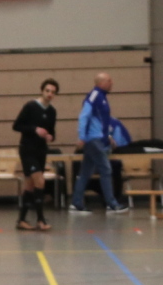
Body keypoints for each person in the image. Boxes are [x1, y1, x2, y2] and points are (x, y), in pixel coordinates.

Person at [70, 73, 126, 215]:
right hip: (93, 140)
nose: (112, 82)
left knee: (85, 172)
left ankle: (76, 202)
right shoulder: (94, 96)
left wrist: (108, 136)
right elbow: (84, 117)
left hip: (98, 139)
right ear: (101, 82)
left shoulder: (102, 98)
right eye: (109, 80)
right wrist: (82, 137)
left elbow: (101, 122)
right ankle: (112, 204)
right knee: (106, 169)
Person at [11, 78, 60, 231]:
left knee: (30, 185)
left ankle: (21, 220)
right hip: (27, 149)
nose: (50, 94)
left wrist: (50, 136)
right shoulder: (31, 106)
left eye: (53, 92)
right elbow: (17, 125)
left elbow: (52, 131)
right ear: (42, 91)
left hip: (41, 150)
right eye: (47, 91)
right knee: (40, 181)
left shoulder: (52, 111)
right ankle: (40, 219)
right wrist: (34, 129)